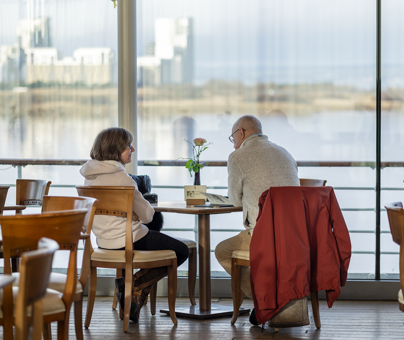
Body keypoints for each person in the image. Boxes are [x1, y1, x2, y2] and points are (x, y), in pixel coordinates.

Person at [80, 127, 189, 322]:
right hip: (132, 239)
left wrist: (133, 214)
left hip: (103, 243)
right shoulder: (124, 179)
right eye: (128, 146)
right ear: (116, 150)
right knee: (181, 251)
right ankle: (135, 284)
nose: (133, 149)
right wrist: (136, 215)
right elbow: (148, 215)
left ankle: (134, 294)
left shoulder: (88, 180)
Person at [214, 115, 300, 324]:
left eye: (233, 138)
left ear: (241, 133)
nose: (234, 145)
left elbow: (235, 201)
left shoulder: (238, 157)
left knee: (223, 250)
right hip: (297, 235)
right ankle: (277, 297)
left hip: (265, 235)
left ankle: (268, 300)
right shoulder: (285, 152)